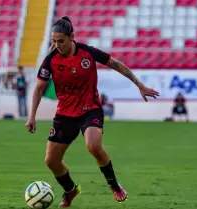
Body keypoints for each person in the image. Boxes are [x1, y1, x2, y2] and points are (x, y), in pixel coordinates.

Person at [25, 16, 159, 208]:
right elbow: (38, 88)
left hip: (90, 109)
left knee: (93, 145)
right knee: (51, 161)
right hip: (65, 114)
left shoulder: (87, 53)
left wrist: (139, 84)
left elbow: (117, 64)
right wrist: (32, 116)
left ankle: (114, 185)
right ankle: (71, 190)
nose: (57, 45)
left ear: (72, 37)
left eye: (61, 41)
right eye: (54, 41)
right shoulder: (50, 60)